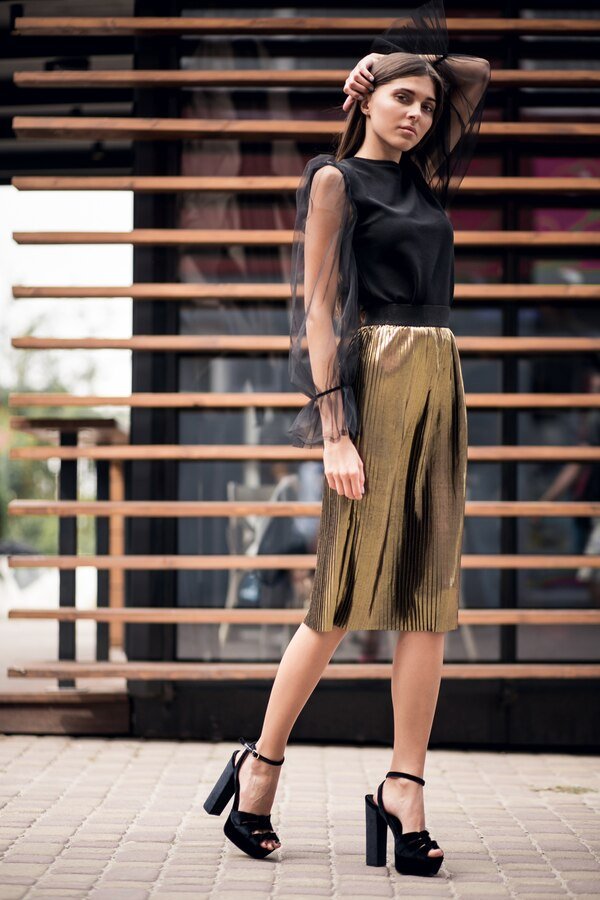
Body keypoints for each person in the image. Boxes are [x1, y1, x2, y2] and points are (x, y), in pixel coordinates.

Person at [204, 0, 491, 877]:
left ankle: (405, 785)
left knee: (428, 598)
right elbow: (320, 312)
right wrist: (336, 430)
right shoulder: (337, 180)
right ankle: (262, 766)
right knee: (338, 598)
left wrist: (394, 63)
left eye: (427, 106)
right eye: (402, 98)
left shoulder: (423, 178)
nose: (419, 114)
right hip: (377, 383)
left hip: (439, 380)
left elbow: (475, 77)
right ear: (364, 100)